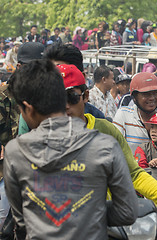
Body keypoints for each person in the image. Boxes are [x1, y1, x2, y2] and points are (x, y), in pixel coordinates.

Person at [4, 59, 138, 239]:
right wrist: (88, 213)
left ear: (28, 108)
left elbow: (21, 219)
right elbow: (127, 212)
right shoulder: (105, 146)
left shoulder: (15, 152)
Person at [60, 64, 157, 214]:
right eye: (57, 99)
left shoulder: (106, 129)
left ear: (85, 96)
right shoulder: (123, 115)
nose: (65, 105)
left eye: (71, 98)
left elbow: (133, 174)